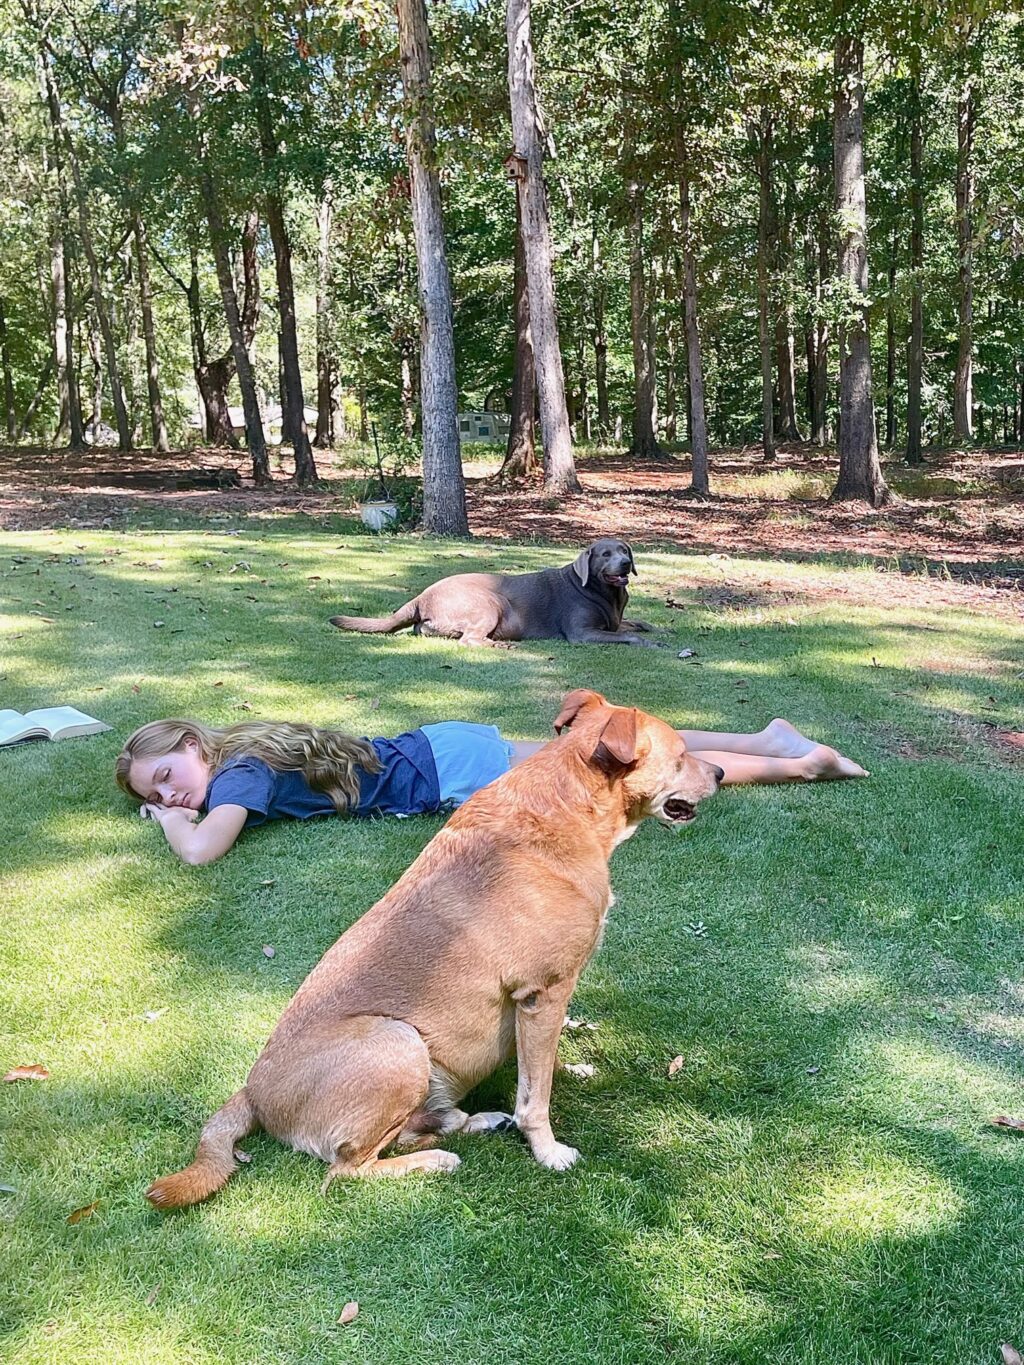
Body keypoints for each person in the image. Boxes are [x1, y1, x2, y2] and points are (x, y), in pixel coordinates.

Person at [115, 714, 867, 866]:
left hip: (450, 769)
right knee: (616, 745)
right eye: (161, 794)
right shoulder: (248, 748)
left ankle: (798, 763)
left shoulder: (235, 779)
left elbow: (204, 851)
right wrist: (171, 805)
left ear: (190, 747)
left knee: (623, 765)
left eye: (167, 779)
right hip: (444, 744)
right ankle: (767, 741)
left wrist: (166, 824)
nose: (176, 795)